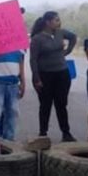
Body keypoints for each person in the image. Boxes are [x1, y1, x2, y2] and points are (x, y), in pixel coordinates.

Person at [29, 11, 77, 142]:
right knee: (45, 105)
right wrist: (36, 78)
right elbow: (33, 60)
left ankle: (66, 133)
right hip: (45, 75)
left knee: (61, 104)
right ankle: (43, 133)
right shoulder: (37, 39)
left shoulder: (60, 33)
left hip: (62, 73)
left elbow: (73, 37)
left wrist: (68, 51)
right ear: (47, 22)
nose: (58, 22)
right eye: (56, 20)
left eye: (58, 20)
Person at [0, 51, 26, 141]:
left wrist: (23, 81)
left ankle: (9, 140)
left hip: (13, 83)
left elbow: (21, 61)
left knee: (12, 112)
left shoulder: (18, 41)